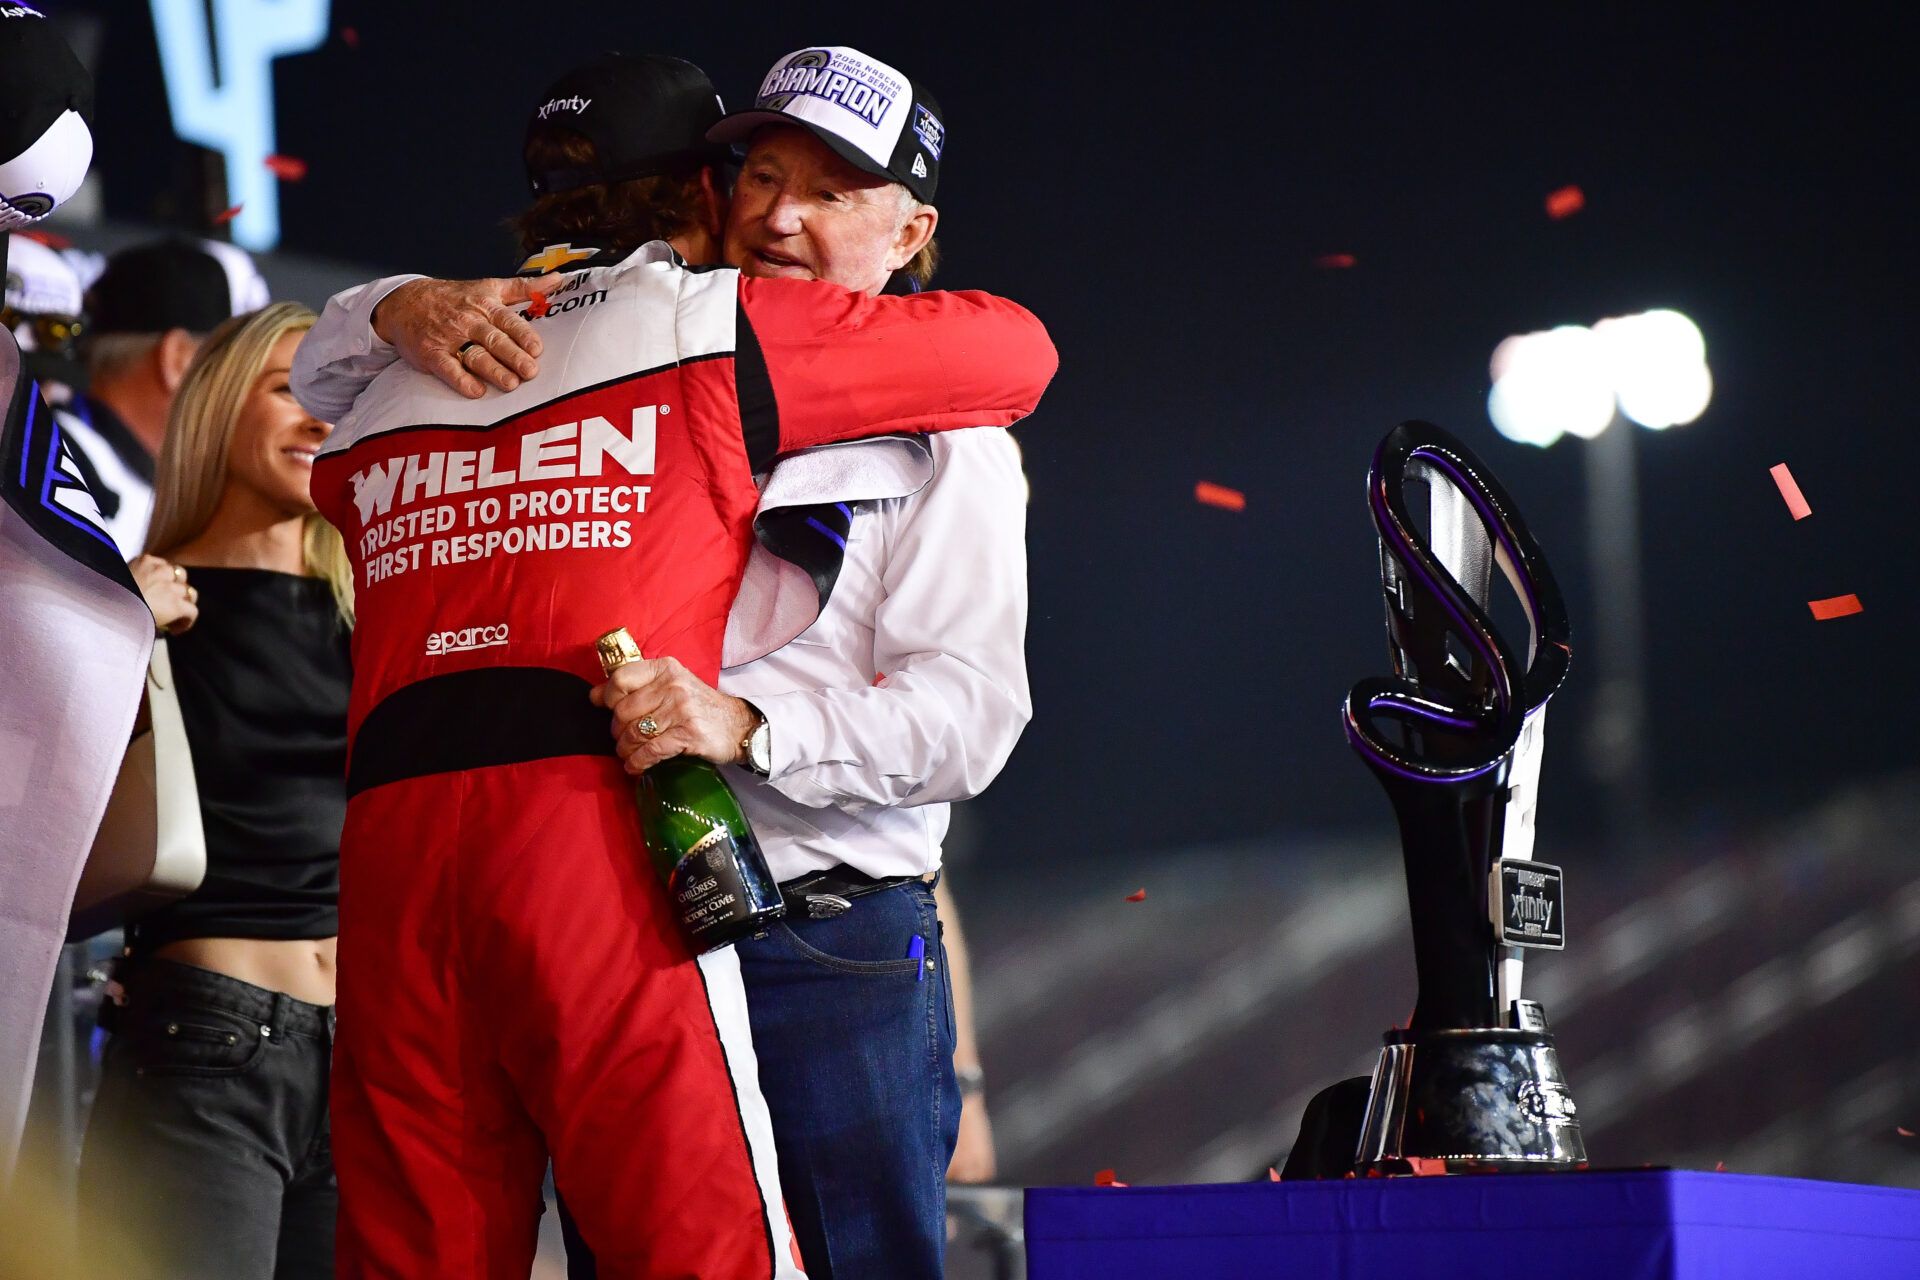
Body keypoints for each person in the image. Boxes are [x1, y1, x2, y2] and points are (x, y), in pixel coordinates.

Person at [290, 53, 1054, 1280]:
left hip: (821, 944)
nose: (781, 214)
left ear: (912, 230)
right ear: (707, 192)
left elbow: (972, 718)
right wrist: (394, 302)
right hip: (621, 911)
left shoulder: (950, 437)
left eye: (833, 191)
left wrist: (750, 722)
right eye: (760, 173)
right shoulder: (649, 340)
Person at [76, 301, 349, 1280]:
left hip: (369, 1063)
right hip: (204, 1044)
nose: (324, 417)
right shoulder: (135, 601)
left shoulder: (393, 615)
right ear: (217, 410)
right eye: (293, 390)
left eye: (343, 394)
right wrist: (113, 634)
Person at [54, 240, 239, 557]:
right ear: (177, 360)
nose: (236, 389)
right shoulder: (56, 464)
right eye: (227, 363)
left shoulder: (44, 448)